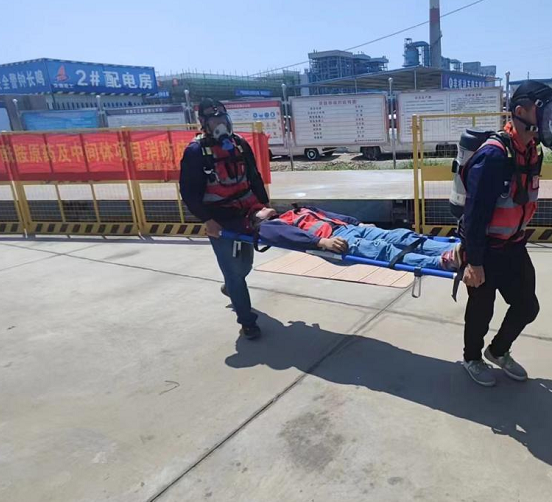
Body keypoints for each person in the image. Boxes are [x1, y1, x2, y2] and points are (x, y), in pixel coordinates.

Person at [457, 80, 552, 387]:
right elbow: (475, 215)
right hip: (485, 250)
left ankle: (498, 350)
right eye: (545, 112)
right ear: (520, 112)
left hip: (514, 246)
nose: (551, 119)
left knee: (527, 306)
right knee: (481, 311)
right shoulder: (493, 156)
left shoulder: (532, 151)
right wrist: (474, 262)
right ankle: (472, 358)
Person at [179, 98, 270, 340]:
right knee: (234, 271)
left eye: (223, 118)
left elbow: (254, 176)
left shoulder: (240, 144)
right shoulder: (196, 152)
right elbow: (188, 192)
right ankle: (247, 322)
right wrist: (207, 220)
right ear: (203, 122)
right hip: (220, 219)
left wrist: (264, 205)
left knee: (245, 266)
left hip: (246, 212)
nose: (221, 123)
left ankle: (231, 288)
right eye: (214, 119)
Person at [252, 205, 460, 271]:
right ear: (257, 219)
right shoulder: (270, 226)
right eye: (258, 210)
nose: (262, 206)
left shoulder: (297, 210)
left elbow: (331, 214)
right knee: (384, 250)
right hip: (334, 241)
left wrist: (358, 223)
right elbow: (289, 237)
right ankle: (441, 262)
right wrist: (322, 242)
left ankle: (452, 251)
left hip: (350, 228)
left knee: (400, 235)